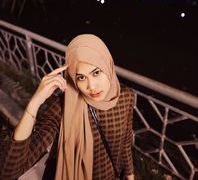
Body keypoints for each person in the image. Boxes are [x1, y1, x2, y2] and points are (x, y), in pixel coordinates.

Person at [0, 34, 135, 180]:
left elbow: (125, 142)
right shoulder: (64, 107)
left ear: (108, 65)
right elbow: (9, 171)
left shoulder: (126, 97)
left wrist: (130, 174)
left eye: (96, 73)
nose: (91, 86)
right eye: (81, 77)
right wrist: (34, 104)